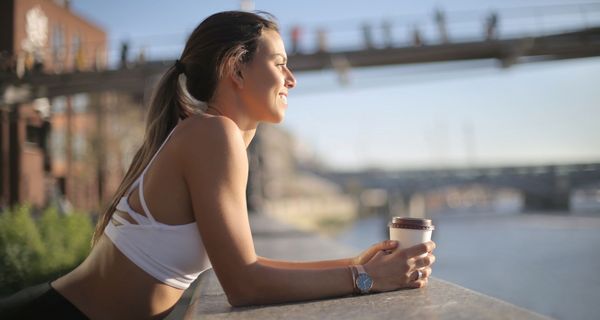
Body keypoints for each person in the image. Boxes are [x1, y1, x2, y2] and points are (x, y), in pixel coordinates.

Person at [0, 11, 436, 319]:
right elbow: (244, 285)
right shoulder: (214, 134)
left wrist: (355, 262)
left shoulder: (211, 135)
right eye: (280, 63)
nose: (292, 79)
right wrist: (365, 280)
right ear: (237, 70)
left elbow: (247, 263)